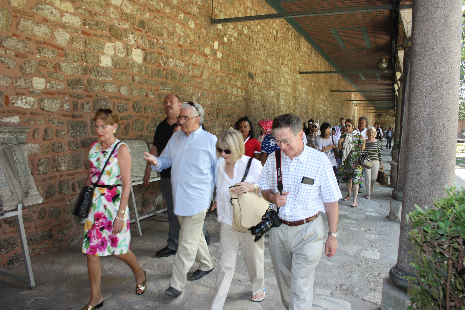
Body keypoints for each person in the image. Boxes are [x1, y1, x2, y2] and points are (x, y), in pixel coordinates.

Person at [258, 114, 341, 309]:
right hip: (279, 231)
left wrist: (332, 235)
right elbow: (263, 187)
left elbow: (331, 201)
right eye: (278, 142)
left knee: (300, 289)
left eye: (286, 141)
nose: (282, 147)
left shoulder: (319, 161)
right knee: (285, 285)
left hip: (309, 231)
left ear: (301, 135)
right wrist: (272, 198)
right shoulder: (273, 159)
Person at [144, 101, 216, 298]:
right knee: (194, 235)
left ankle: (176, 283)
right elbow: (166, 160)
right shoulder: (175, 138)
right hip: (180, 197)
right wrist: (156, 161)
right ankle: (207, 264)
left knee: (186, 242)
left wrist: (218, 197)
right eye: (180, 117)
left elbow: (217, 171)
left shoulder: (210, 141)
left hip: (199, 199)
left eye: (184, 118)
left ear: (197, 119)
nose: (180, 121)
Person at [82, 109, 146, 310]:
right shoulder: (93, 148)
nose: (99, 130)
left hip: (115, 205)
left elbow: (127, 184)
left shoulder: (122, 149)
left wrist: (121, 214)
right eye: (97, 126)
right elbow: (91, 176)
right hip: (96, 206)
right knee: (92, 252)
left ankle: (139, 273)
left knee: (118, 250)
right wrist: (85, 202)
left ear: (114, 127)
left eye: (104, 126)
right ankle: (96, 297)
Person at [143, 95, 209, 259]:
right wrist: (152, 166)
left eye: (172, 102)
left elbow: (210, 164)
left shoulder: (202, 134)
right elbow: (160, 153)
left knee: (193, 219)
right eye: (165, 102)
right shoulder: (167, 131)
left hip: (193, 185)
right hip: (170, 178)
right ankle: (176, 245)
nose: (168, 104)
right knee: (175, 213)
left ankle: (199, 245)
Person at [209, 128, 266, 309]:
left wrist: (252, 186)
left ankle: (258, 286)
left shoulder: (252, 165)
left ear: (237, 148)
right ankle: (217, 304)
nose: (223, 154)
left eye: (227, 150)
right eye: (220, 150)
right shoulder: (220, 166)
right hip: (228, 221)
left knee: (254, 259)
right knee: (225, 264)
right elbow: (219, 189)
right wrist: (217, 202)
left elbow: (267, 187)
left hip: (250, 221)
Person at [338, 119, 366, 207]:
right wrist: (340, 142)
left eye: (348, 125)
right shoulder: (344, 136)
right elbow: (340, 149)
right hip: (346, 160)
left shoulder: (358, 136)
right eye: (346, 126)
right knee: (348, 179)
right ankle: (349, 195)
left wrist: (363, 141)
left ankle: (355, 200)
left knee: (355, 180)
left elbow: (362, 148)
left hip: (356, 161)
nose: (347, 127)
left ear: (353, 126)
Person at [364, 127, 383, 199]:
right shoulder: (365, 141)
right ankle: (368, 193)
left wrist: (381, 162)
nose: (370, 134)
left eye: (372, 132)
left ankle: (371, 185)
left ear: (375, 133)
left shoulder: (377, 141)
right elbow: (363, 151)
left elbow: (379, 152)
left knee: (374, 178)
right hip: (367, 161)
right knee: (367, 178)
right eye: (369, 132)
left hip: (375, 161)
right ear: (367, 133)